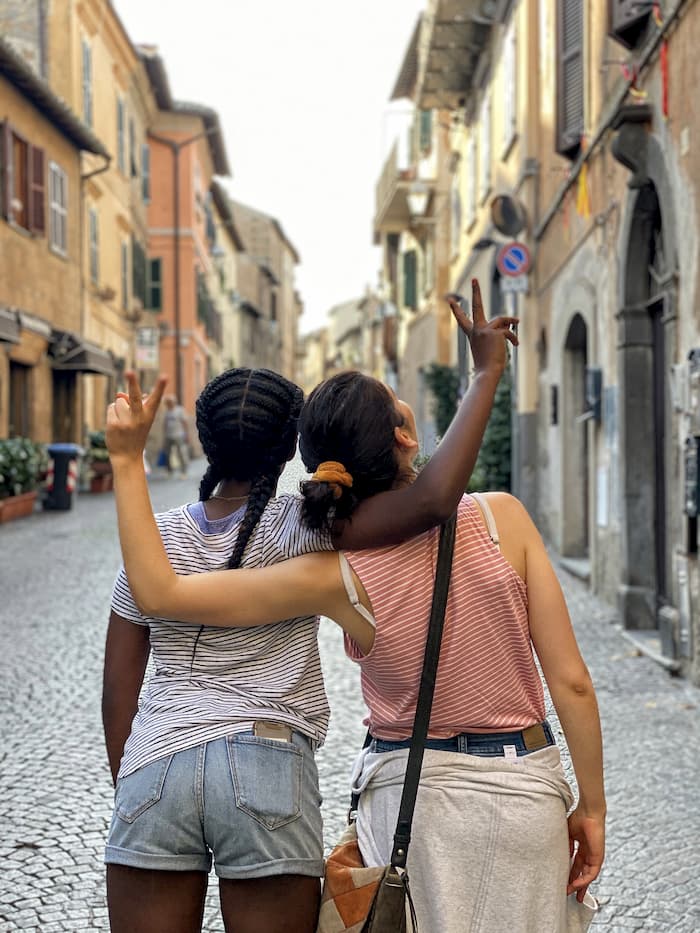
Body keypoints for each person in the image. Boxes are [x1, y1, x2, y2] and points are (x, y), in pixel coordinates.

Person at [106, 332, 605, 933]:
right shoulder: (483, 520)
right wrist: (591, 806)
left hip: (383, 798)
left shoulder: (318, 563)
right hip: (514, 786)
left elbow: (151, 614)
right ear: (403, 437)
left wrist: (126, 462)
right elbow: (570, 681)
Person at [162, 394, 189, 477]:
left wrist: (186, 434)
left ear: (174, 402)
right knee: (167, 453)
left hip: (179, 434)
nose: (170, 403)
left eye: (171, 402)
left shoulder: (179, 410)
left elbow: (184, 422)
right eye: (168, 402)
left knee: (181, 452)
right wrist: (164, 433)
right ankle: (169, 471)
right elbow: (165, 424)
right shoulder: (167, 411)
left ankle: (184, 471)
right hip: (168, 435)